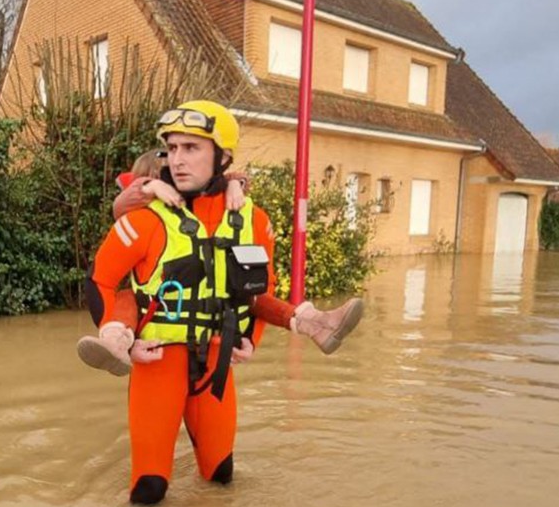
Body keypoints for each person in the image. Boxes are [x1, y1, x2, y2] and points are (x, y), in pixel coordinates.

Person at [77, 150, 364, 377]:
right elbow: (124, 202)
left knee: (248, 293)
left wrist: (232, 184)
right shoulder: (143, 201)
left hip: (201, 303)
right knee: (126, 298)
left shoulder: (203, 198)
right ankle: (117, 342)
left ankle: (314, 322)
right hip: (152, 302)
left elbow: (223, 178)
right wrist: (152, 185)